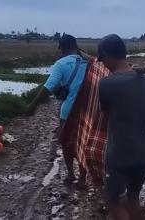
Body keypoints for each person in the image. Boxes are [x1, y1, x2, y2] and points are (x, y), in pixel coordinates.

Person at [98, 34, 145, 220]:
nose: (103, 64)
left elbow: (106, 116)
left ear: (107, 54)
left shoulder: (105, 84)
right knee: (133, 198)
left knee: (114, 201)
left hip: (120, 155)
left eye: (102, 59)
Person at [27, 34, 88, 184]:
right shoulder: (89, 62)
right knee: (83, 144)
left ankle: (70, 174)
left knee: (66, 143)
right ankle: (82, 178)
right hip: (87, 112)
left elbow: (48, 87)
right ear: (76, 46)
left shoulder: (61, 64)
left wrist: (32, 105)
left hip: (68, 113)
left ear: (61, 48)